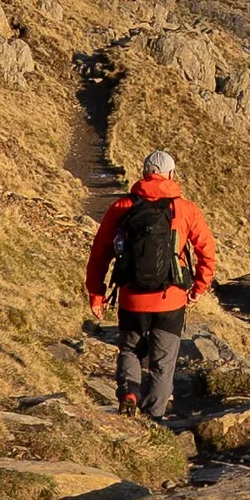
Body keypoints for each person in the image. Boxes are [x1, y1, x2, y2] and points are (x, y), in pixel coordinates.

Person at [84, 147, 217, 419]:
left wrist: (96, 294)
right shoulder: (185, 209)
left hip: (131, 297)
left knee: (130, 350)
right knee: (163, 363)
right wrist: (198, 289)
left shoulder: (123, 206)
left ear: (145, 173)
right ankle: (154, 418)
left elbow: (100, 253)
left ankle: (129, 394)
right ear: (171, 174)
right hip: (171, 299)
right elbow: (207, 253)